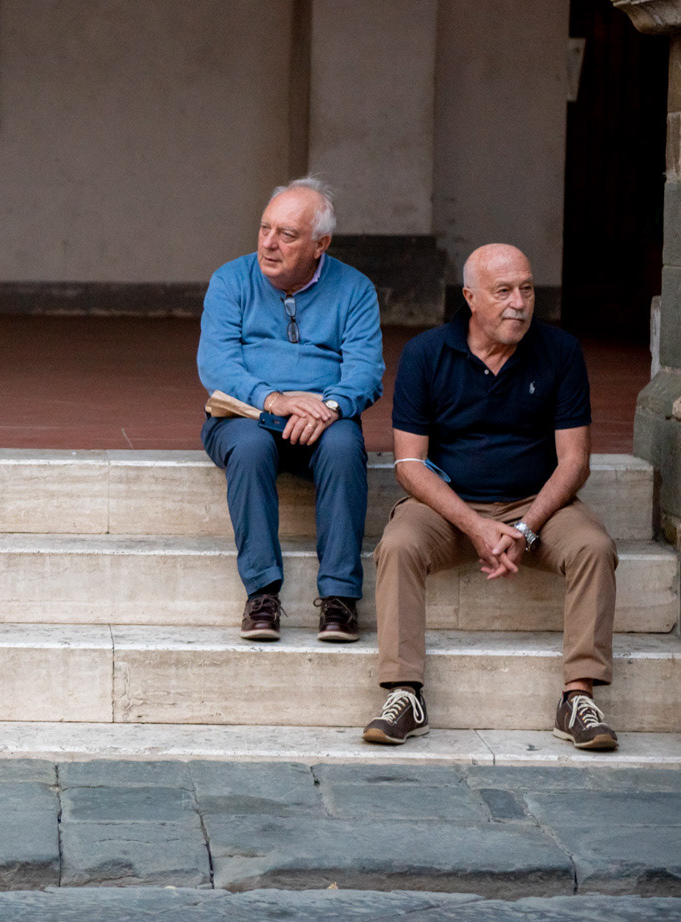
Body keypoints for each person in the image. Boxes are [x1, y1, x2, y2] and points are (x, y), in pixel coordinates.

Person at [364, 243, 619, 750]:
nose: (519, 303)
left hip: (536, 506)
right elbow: (410, 465)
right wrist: (476, 526)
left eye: (526, 289)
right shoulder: (426, 353)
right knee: (397, 545)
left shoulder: (560, 351)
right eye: (503, 291)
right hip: (448, 508)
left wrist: (527, 528)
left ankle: (578, 696)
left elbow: (574, 462)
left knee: (593, 547)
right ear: (471, 298)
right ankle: (405, 692)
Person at [198, 177, 384, 641]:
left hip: (323, 419)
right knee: (251, 448)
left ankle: (340, 598)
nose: (269, 243)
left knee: (344, 447)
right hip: (245, 414)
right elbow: (216, 363)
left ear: (321, 244)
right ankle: (262, 594)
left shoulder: (355, 290)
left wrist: (330, 405)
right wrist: (273, 400)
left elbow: (366, 370)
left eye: (287, 234)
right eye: (265, 229)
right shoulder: (230, 281)